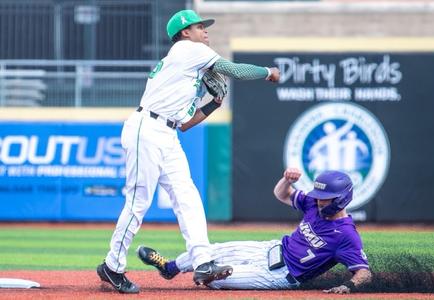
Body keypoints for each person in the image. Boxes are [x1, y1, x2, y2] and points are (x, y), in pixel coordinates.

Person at [96, 9, 281, 294]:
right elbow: (234, 70)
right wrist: (267, 72)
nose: (205, 31)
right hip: (147, 129)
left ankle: (203, 261)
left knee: (187, 196)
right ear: (184, 32)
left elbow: (184, 124)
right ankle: (112, 267)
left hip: (167, 132)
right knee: (138, 202)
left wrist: (213, 105)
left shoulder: (189, 70)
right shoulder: (187, 49)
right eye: (199, 26)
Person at [136, 168, 372, 293]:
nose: (319, 201)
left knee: (212, 280)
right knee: (208, 253)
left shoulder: (346, 235)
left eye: (325, 198)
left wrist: (346, 287)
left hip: (281, 276)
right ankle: (169, 267)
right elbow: (282, 194)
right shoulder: (312, 203)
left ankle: (215, 276)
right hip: (271, 248)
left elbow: (364, 273)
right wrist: (286, 180)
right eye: (319, 197)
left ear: (341, 199)